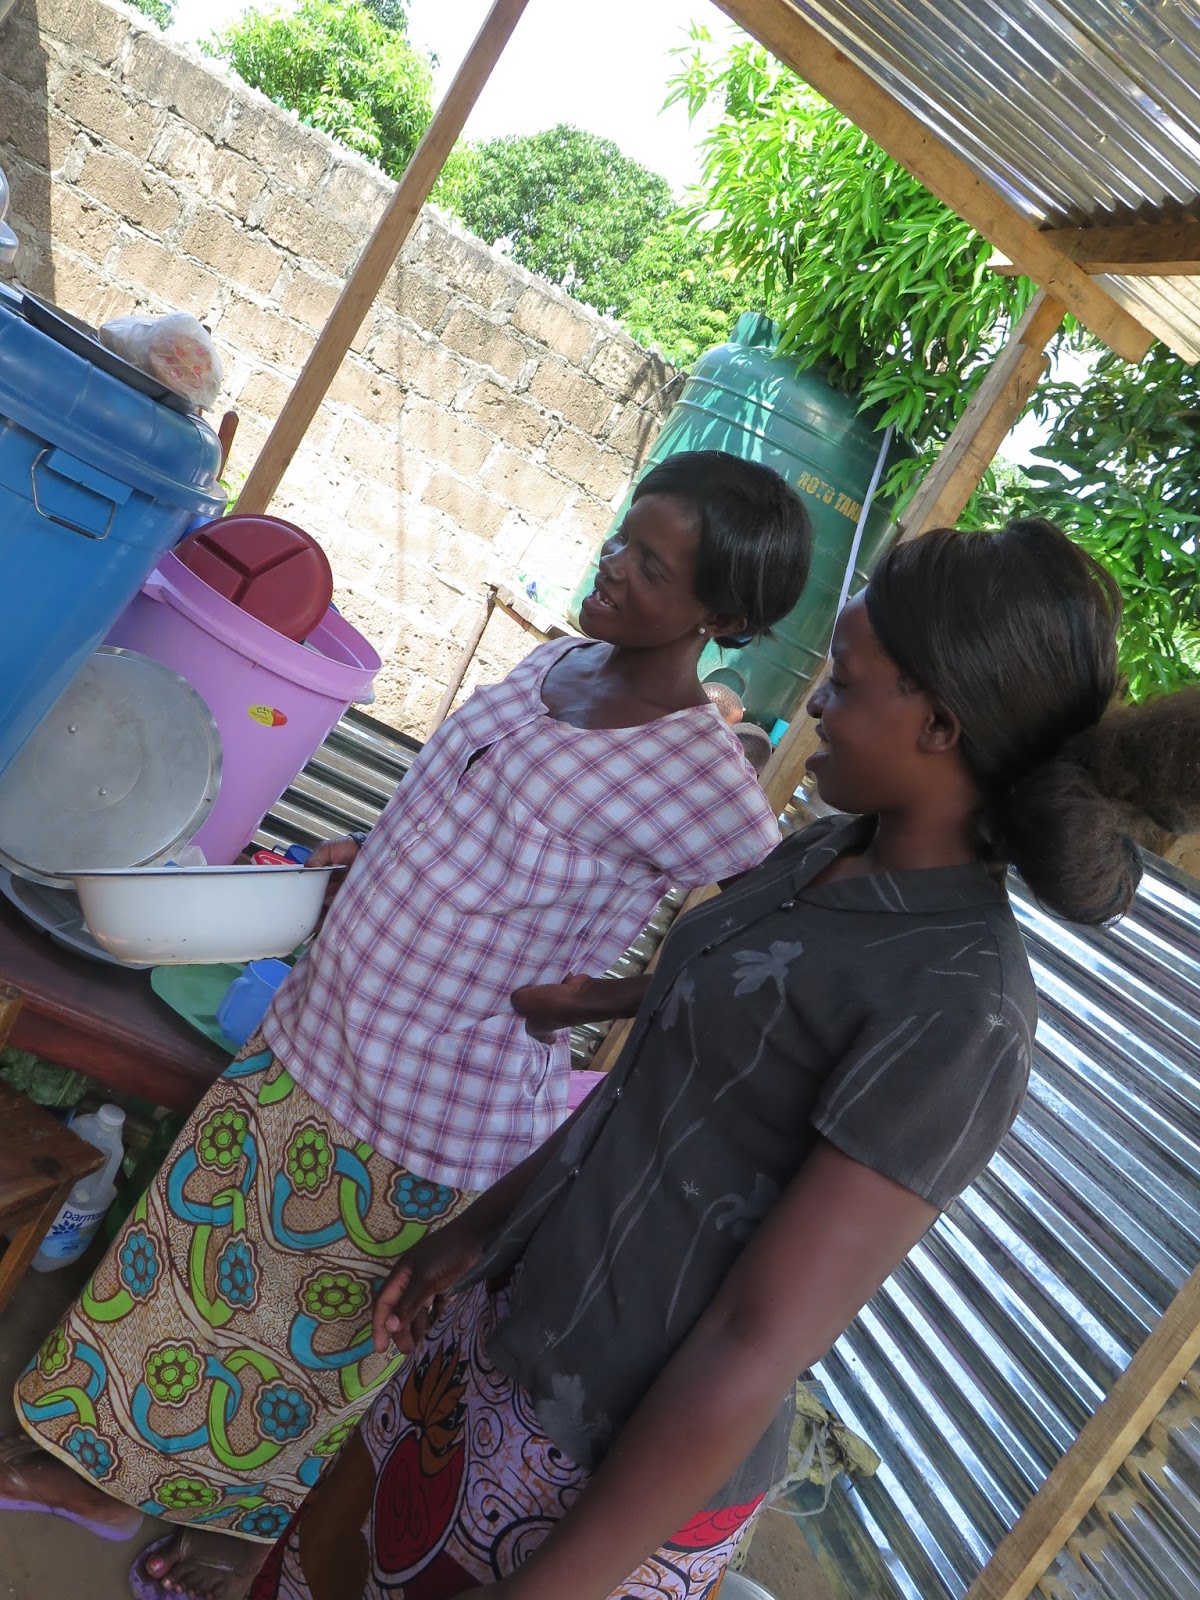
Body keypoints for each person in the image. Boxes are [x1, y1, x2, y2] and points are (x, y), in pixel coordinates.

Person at [249, 517, 1200, 1600]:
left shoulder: (960, 1007)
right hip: (504, 1343)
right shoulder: (824, 854)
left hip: (602, 1475)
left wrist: (558, 1587)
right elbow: (648, 1089)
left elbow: (758, 1339)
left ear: (940, 721)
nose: (816, 703)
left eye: (846, 682)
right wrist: (478, 1232)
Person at [2, 451, 813, 1600]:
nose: (614, 567)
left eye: (653, 566)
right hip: (316, 1032)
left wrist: (603, 999)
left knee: (302, 1345)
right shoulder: (557, 660)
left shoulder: (695, 770)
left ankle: (233, 1533)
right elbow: (454, 803)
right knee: (187, 1268)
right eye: (623, 538)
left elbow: (777, 940)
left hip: (428, 1110)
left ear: (720, 617)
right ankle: (95, 1471)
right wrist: (368, 853)